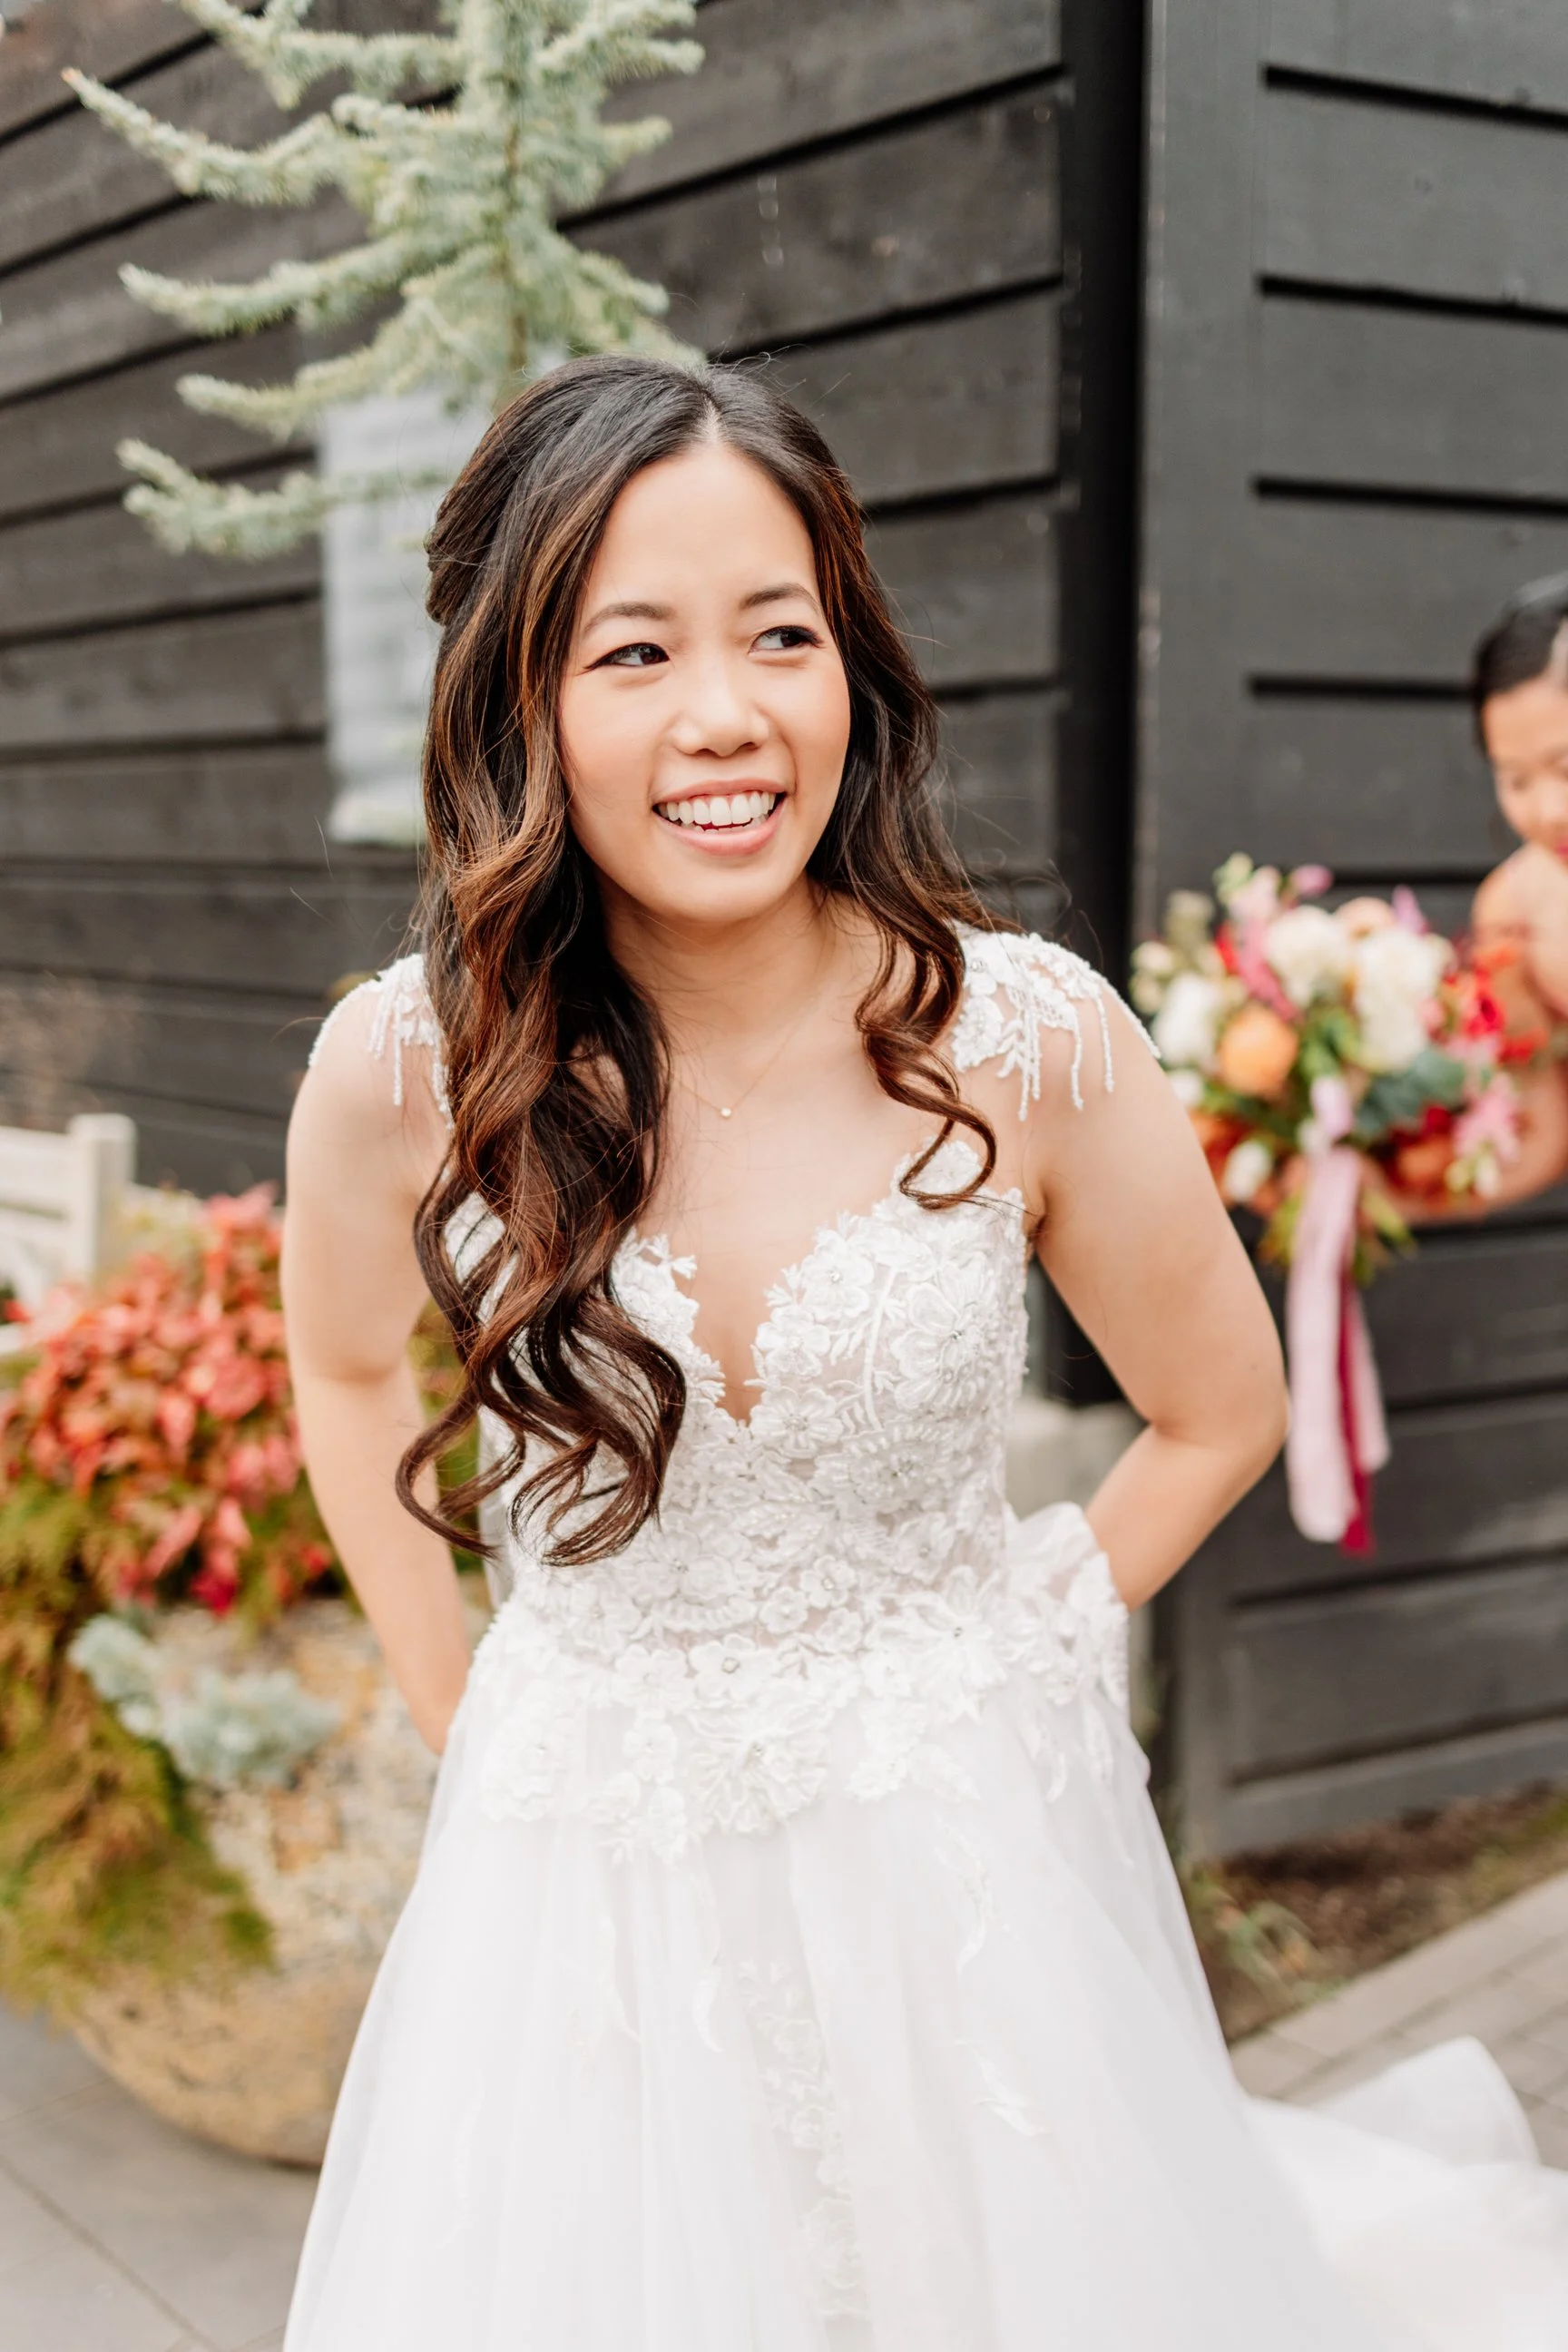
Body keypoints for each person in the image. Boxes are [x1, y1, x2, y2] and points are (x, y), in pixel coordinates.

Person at [279, 355, 1568, 2348]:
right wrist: (468, 1710)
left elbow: (1217, 1409)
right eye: (635, 649)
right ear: (520, 696)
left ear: (852, 667)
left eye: (778, 633)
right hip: (583, 1888)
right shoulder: (403, 1070)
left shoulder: (1025, 1037)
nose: (725, 713)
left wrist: (1023, 1640)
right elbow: (353, 1370)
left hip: (961, 1876)